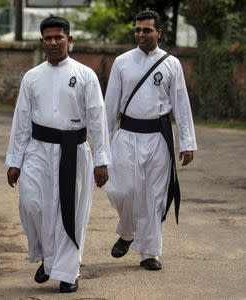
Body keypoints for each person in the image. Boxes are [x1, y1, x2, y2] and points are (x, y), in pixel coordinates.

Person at [5, 16, 111, 293]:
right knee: (32, 205)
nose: (53, 42)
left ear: (69, 40)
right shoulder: (32, 76)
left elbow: (98, 121)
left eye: (58, 37)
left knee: (69, 212)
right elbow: (21, 121)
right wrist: (15, 161)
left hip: (74, 150)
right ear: (42, 41)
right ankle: (48, 258)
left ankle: (67, 273)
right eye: (48, 38)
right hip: (37, 149)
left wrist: (101, 161)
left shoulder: (85, 75)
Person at [104, 10, 197, 271]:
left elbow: (181, 103)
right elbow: (110, 105)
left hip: (158, 137)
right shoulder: (122, 62)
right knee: (122, 190)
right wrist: (102, 144)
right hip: (126, 135)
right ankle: (127, 232)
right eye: (137, 30)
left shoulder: (171, 64)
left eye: (146, 30)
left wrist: (187, 142)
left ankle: (150, 253)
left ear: (159, 33)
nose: (141, 34)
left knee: (154, 197)